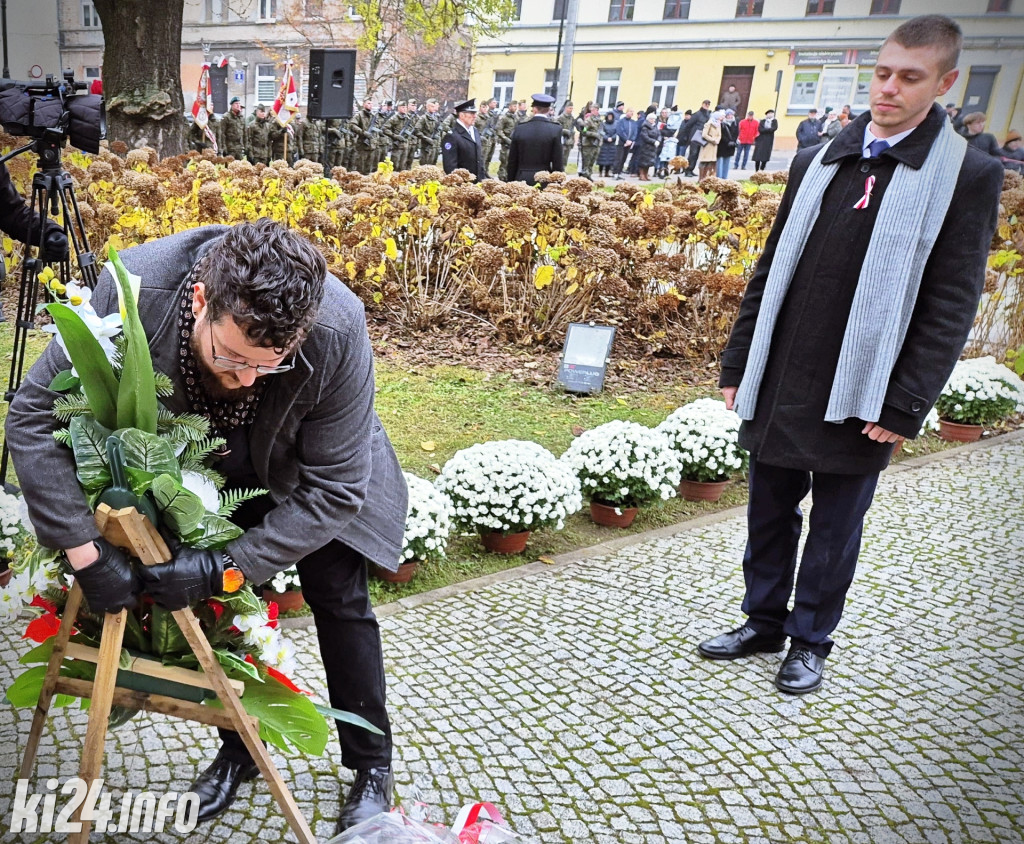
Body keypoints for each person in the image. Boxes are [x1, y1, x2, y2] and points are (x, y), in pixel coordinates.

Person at [5, 218, 408, 831]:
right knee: (233, 616)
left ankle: (372, 763)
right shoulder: (137, 286)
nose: (245, 378)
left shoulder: (338, 328)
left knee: (340, 599)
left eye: (269, 365)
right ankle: (241, 748)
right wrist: (85, 552)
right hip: (201, 467)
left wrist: (227, 565)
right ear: (200, 299)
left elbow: (338, 488)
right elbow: (33, 416)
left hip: (308, 469)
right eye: (231, 356)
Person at [698, 14, 1003, 696]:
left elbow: (951, 302)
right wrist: (738, 362)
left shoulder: (966, 176)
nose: (889, 88)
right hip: (785, 372)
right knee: (769, 511)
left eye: (910, 78)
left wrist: (906, 402)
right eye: (884, 72)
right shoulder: (820, 158)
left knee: (836, 526)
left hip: (864, 387)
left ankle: (810, 639)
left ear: (945, 83)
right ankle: (763, 620)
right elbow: (771, 268)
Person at [506, 94, 564, 184]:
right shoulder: (555, 130)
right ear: (548, 110)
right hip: (544, 178)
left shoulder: (520, 128)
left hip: (521, 178)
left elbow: (512, 160)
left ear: (534, 109)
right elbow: (557, 162)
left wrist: (510, 181)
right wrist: (557, 184)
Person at [441, 99, 486, 181]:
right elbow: (450, 167)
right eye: (472, 113)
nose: (475, 116)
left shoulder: (475, 131)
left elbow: (479, 160)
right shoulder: (452, 136)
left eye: (475, 113)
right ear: (462, 115)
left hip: (477, 184)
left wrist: (483, 179)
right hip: (463, 186)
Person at [679, 100, 711, 177]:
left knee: (696, 154)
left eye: (708, 104)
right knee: (692, 154)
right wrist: (687, 136)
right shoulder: (697, 114)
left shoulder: (707, 114)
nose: (707, 105)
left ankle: (691, 169)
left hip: (702, 137)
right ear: (702, 104)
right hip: (695, 136)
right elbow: (688, 125)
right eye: (706, 104)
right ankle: (687, 170)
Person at [579, 104, 605, 179]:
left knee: (592, 162)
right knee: (586, 162)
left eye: (596, 110)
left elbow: (601, 131)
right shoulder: (588, 120)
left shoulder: (599, 120)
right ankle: (585, 177)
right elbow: (584, 131)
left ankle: (589, 176)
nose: (595, 111)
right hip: (588, 144)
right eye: (593, 110)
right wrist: (594, 134)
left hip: (596, 145)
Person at [495, 101, 519, 181]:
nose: (515, 108)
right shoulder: (504, 117)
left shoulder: (516, 117)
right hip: (506, 143)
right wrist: (506, 139)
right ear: (509, 107)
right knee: (504, 162)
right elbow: (498, 130)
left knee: (512, 162)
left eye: (516, 106)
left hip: (514, 143)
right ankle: (502, 178)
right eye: (513, 106)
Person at [634, 112, 660, 181]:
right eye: (651, 119)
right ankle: (641, 175)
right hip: (645, 147)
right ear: (648, 119)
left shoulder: (655, 126)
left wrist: (658, 140)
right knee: (643, 162)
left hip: (652, 148)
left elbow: (659, 134)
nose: (653, 120)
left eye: (654, 119)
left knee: (649, 162)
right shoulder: (645, 127)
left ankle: (646, 174)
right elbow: (645, 137)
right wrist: (654, 141)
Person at [698, 110, 722, 180]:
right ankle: (701, 178)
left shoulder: (718, 124)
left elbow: (719, 135)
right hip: (708, 145)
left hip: (714, 146)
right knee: (704, 162)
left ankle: (707, 178)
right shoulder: (709, 124)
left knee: (710, 162)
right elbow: (704, 135)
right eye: (719, 117)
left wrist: (717, 140)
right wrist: (712, 140)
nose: (720, 118)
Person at [596, 110, 619, 178]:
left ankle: (607, 172)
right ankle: (600, 172)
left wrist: (612, 138)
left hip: (612, 143)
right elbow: (601, 131)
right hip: (605, 143)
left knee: (610, 159)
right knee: (602, 159)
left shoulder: (615, 124)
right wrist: (606, 138)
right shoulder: (603, 123)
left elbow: (617, 132)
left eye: (611, 116)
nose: (610, 117)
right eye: (609, 116)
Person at [716, 109, 738, 178]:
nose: (730, 116)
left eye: (731, 114)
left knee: (727, 163)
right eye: (728, 115)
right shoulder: (722, 124)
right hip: (722, 146)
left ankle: (724, 177)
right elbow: (721, 134)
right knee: (720, 163)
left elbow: (736, 133)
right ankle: (719, 177)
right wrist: (727, 141)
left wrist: (733, 141)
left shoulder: (735, 123)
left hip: (730, 147)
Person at [557, 102, 577, 171]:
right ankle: (559, 171)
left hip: (569, 141)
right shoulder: (561, 117)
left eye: (572, 108)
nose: (571, 110)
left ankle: (563, 170)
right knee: (560, 158)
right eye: (570, 108)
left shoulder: (572, 118)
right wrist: (565, 131)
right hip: (563, 140)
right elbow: (557, 128)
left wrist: (573, 141)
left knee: (566, 159)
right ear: (566, 108)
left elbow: (572, 129)